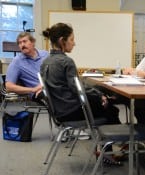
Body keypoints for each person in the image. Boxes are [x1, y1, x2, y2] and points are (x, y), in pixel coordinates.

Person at [40, 23, 121, 165]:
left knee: (104, 103)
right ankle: (111, 150)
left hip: (60, 110)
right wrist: (100, 96)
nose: (74, 43)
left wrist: (97, 94)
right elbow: (77, 88)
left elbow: (74, 86)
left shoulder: (45, 62)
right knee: (111, 109)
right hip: (70, 111)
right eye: (71, 39)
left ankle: (107, 150)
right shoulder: (66, 61)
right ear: (61, 41)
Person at [5, 32, 49, 101]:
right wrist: (32, 89)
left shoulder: (45, 54)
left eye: (24, 41)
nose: (22, 45)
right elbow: (9, 86)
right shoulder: (17, 62)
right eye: (20, 43)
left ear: (33, 42)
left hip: (52, 86)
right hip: (38, 92)